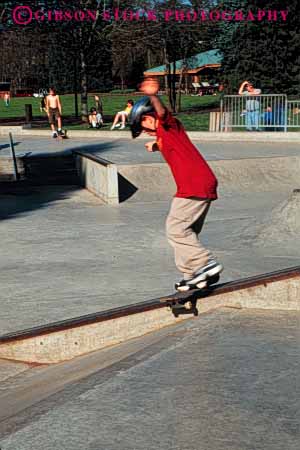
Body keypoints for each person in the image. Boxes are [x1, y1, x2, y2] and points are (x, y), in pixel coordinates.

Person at [129, 78, 223, 292]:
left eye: (143, 127)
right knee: (186, 232)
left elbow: (161, 113)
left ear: (148, 118)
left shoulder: (166, 124)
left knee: (175, 229)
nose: (146, 133)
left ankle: (204, 263)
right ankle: (192, 274)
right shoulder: (163, 134)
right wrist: (155, 145)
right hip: (201, 184)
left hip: (193, 186)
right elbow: (166, 141)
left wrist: (153, 95)